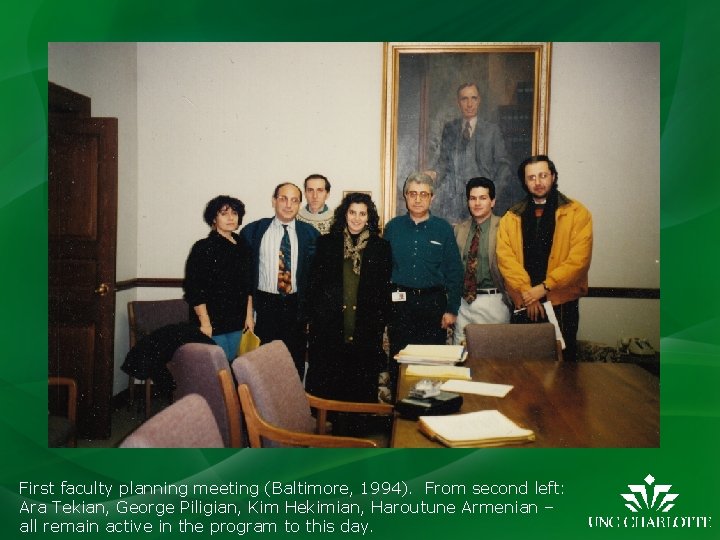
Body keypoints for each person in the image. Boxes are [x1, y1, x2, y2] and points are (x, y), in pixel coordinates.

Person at [496, 155, 593, 362]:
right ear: (525, 182)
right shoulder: (512, 217)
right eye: (531, 178)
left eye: (543, 176)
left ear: (553, 176)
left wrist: (545, 287)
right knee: (524, 369)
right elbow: (506, 259)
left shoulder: (577, 213)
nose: (538, 182)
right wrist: (527, 294)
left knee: (564, 368)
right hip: (524, 302)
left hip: (562, 302)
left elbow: (579, 261)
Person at [305, 192, 392, 417]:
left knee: (360, 387)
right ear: (345, 214)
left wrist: (379, 323)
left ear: (369, 217)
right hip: (331, 329)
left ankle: (358, 434)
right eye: (352, 212)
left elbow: (383, 292)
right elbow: (315, 286)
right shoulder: (326, 243)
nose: (356, 218)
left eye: (362, 214)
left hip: (365, 330)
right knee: (331, 387)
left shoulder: (380, 247)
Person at [384, 172, 463, 395]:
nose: (417, 199)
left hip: (433, 304)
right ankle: (399, 412)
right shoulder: (393, 228)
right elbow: (383, 270)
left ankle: (429, 409)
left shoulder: (444, 229)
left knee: (432, 361)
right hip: (401, 302)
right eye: (412, 194)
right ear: (405, 196)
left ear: (432, 198)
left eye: (423, 194)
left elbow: (455, 272)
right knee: (399, 360)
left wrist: (451, 308)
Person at [241, 182, 320, 378]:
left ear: (299, 204)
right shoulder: (253, 231)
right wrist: (248, 312)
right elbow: (243, 277)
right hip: (265, 305)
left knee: (294, 363)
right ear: (274, 200)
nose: (288, 205)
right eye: (283, 198)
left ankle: (292, 407)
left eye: (294, 200)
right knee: (264, 363)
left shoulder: (310, 234)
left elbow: (315, 278)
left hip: (296, 307)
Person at [427, 82, 514, 222]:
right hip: (454, 207)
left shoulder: (492, 131)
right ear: (458, 102)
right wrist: (434, 174)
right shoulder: (450, 128)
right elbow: (444, 164)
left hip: (482, 206)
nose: (469, 104)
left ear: (479, 100)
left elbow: (504, 167)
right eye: (464, 99)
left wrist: (491, 195)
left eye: (473, 98)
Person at [183, 195, 252, 361]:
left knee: (233, 364)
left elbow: (248, 286)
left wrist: (248, 317)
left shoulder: (243, 245)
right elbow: (194, 289)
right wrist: (205, 323)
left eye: (234, 213)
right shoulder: (203, 247)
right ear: (214, 219)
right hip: (211, 321)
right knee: (217, 369)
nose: (230, 218)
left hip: (237, 320)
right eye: (224, 213)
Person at [453, 177, 511, 345]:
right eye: (473, 198)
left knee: (494, 361)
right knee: (461, 358)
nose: (477, 203)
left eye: (483, 198)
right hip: (464, 304)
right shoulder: (459, 230)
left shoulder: (505, 227)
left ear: (492, 201)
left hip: (494, 302)